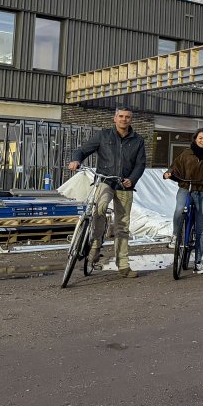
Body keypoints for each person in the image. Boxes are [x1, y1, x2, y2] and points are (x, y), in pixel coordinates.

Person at [68, 106, 147, 278]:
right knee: (100, 208)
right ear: (115, 118)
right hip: (105, 181)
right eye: (121, 116)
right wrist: (76, 160)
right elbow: (83, 150)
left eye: (127, 117)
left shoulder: (138, 140)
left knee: (122, 225)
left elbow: (141, 164)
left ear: (131, 120)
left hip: (125, 185)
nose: (124, 119)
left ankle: (123, 265)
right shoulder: (103, 136)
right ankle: (95, 245)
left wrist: (132, 179)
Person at [162, 128, 203, 275]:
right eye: (200, 138)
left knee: (200, 228)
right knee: (179, 209)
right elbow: (174, 168)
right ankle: (175, 235)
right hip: (186, 189)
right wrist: (168, 173)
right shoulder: (186, 153)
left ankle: (198, 262)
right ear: (195, 139)